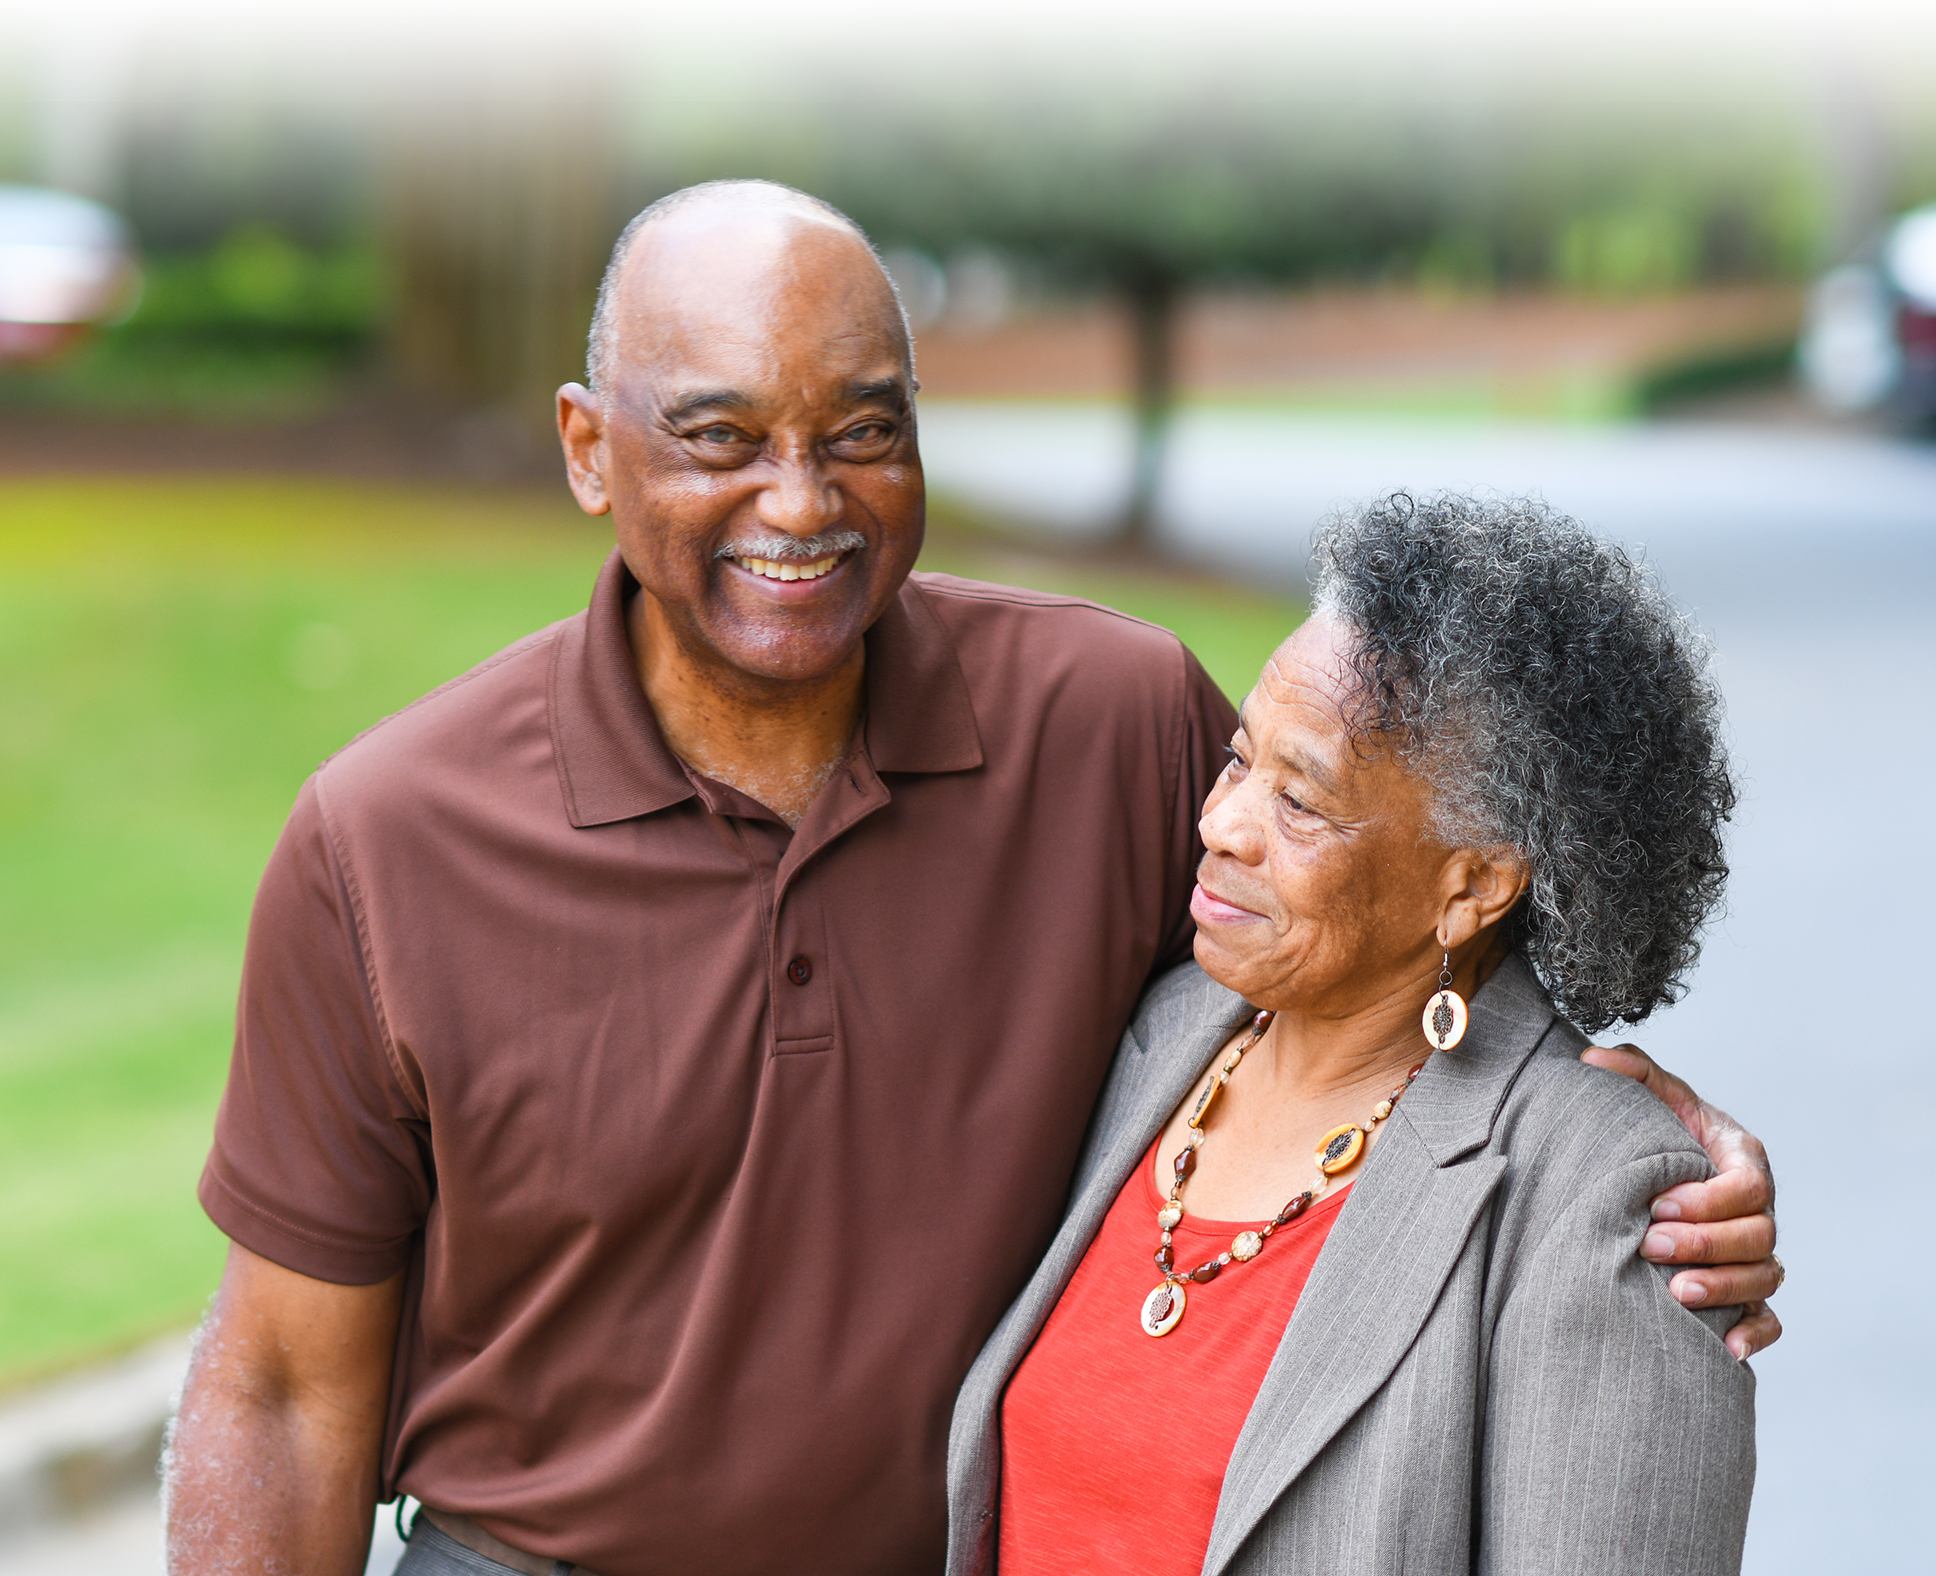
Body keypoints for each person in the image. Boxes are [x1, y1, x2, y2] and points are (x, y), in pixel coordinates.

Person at [165, 184, 1781, 1576]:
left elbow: (1379, 915)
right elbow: (284, 1388)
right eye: (718, 437)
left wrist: (1637, 1146)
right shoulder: (387, 835)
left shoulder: (1115, 725)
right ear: (591, 450)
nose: (800, 504)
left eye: (863, 432)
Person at [949, 495, 1758, 1576]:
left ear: (1470, 883)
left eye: (1302, 803)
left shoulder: (1602, 1199)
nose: (1220, 825)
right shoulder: (1158, 1035)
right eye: (1241, 761)